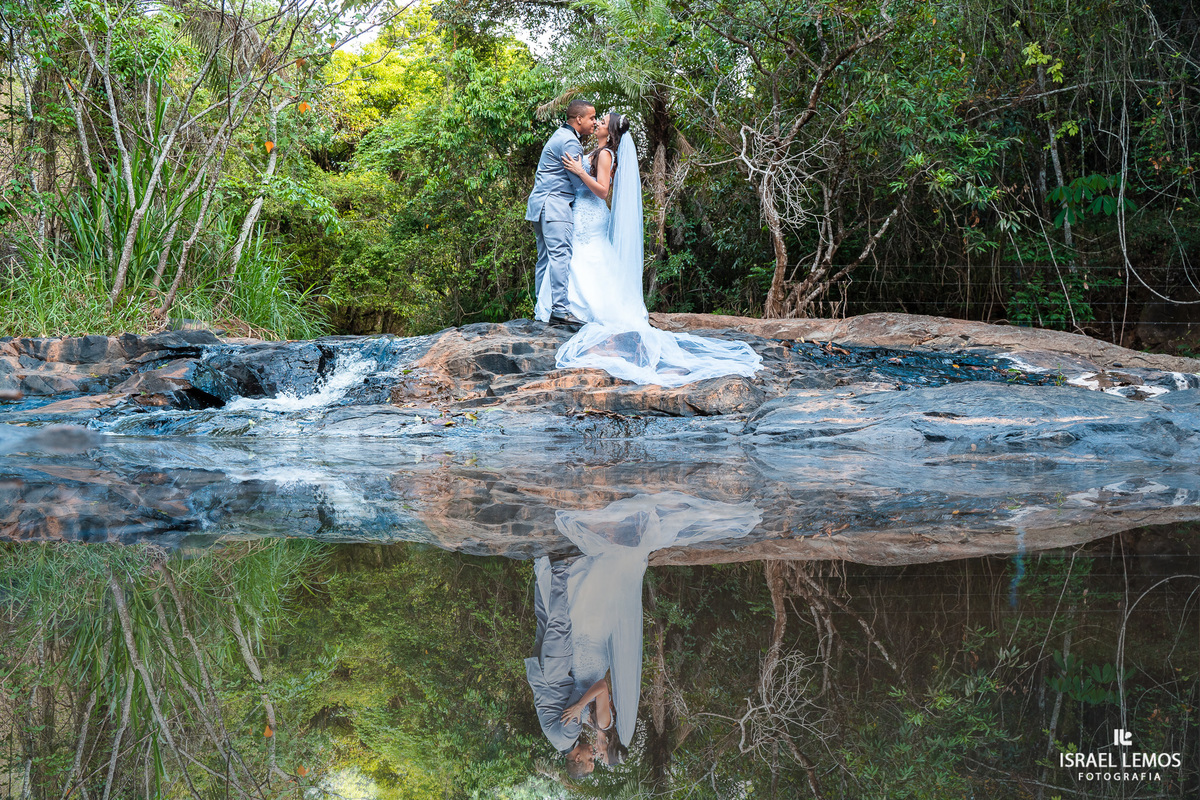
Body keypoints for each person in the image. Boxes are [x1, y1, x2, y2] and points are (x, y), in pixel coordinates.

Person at [534, 112, 763, 388]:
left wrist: (581, 171)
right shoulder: (596, 150)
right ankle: (568, 308)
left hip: (591, 214)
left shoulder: (606, 154)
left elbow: (603, 191)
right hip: (582, 213)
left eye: (602, 122)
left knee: (586, 258)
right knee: (581, 259)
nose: (596, 124)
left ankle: (581, 310)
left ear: (610, 133)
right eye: (596, 120)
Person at [526, 99, 599, 331]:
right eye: (591, 118)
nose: (594, 122)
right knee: (560, 256)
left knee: (545, 258)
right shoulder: (571, 142)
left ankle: (542, 309)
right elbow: (578, 184)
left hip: (540, 206)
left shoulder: (559, 135)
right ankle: (559, 310)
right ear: (579, 119)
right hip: (556, 206)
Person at [524, 557, 592, 775]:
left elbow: (579, 691)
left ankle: (561, 567)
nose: (593, 755)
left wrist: (585, 709)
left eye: (591, 760)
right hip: (540, 675)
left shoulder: (570, 732)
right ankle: (541, 569)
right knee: (544, 620)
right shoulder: (558, 742)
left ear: (578, 758)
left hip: (555, 673)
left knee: (560, 624)